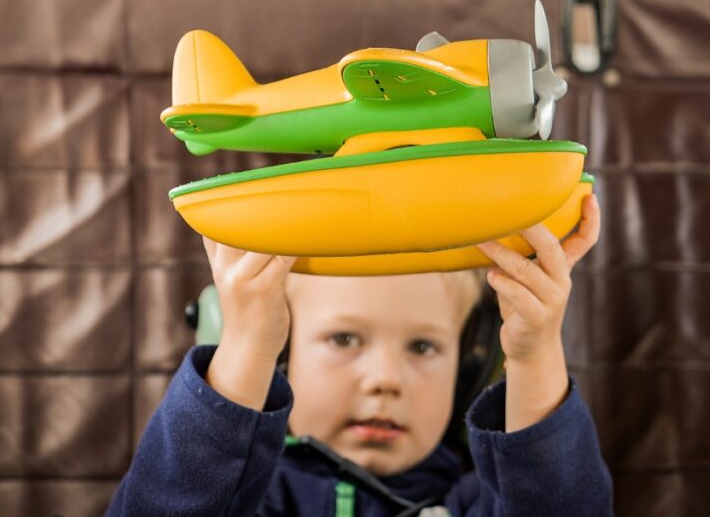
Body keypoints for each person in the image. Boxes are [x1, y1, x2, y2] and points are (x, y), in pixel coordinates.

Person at [108, 195, 612, 516]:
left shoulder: (477, 503)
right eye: (345, 339)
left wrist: (534, 354)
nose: (385, 379)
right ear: (281, 357)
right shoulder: (251, 502)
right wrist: (246, 349)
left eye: (422, 346)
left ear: (471, 367)